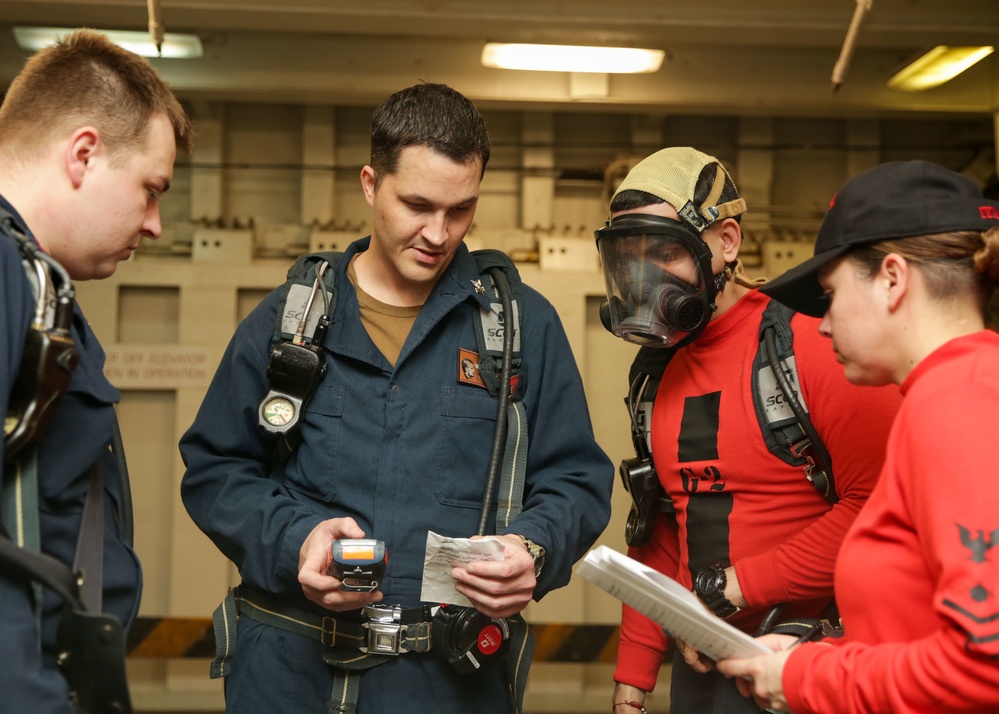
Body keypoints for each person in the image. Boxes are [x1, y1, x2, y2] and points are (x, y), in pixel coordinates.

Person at [179, 82, 613, 714]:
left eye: (461, 210)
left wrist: (534, 549)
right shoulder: (292, 321)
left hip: (446, 681)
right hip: (291, 674)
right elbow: (217, 469)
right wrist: (295, 541)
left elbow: (576, 477)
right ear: (369, 184)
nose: (438, 233)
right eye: (416, 204)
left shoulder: (519, 326)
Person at [595, 147, 902, 714]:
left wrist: (733, 587)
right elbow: (659, 530)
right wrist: (632, 685)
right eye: (630, 258)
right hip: (701, 669)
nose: (645, 281)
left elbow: (882, 506)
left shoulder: (812, 345)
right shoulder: (654, 374)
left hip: (812, 663)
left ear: (726, 242)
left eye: (666, 252)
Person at [716, 161, 999, 712]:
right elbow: (927, 627)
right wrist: (821, 647)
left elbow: (985, 664)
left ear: (892, 278)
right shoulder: (954, 391)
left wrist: (809, 675)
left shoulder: (958, 401)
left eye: (830, 294)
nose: (822, 323)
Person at [0, 29, 193, 713]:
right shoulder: (4, 276)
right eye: (150, 189)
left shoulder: (30, 280)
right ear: (84, 154)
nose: (155, 225)